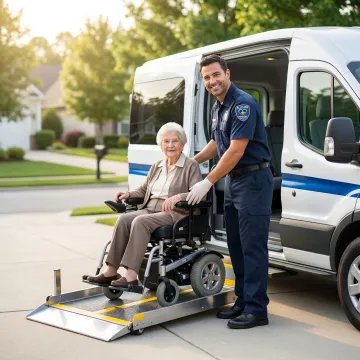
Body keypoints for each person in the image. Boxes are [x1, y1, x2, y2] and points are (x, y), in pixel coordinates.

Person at [186, 54, 274, 329]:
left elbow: (236, 149)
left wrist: (208, 181)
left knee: (252, 247)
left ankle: (257, 309)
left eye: (216, 75)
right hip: (234, 182)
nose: (212, 81)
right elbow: (218, 141)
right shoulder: (218, 107)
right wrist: (194, 161)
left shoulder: (242, 104)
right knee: (235, 246)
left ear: (227, 73)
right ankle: (243, 301)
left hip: (254, 181)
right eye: (207, 78)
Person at [86, 122, 203, 288]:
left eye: (175, 141)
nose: (170, 145)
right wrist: (128, 195)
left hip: (174, 213)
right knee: (124, 219)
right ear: (161, 145)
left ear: (182, 144)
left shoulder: (191, 166)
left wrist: (178, 197)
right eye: (166, 141)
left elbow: (198, 193)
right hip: (149, 209)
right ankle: (110, 271)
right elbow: (144, 189)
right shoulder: (157, 166)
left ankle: (131, 276)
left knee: (140, 222)